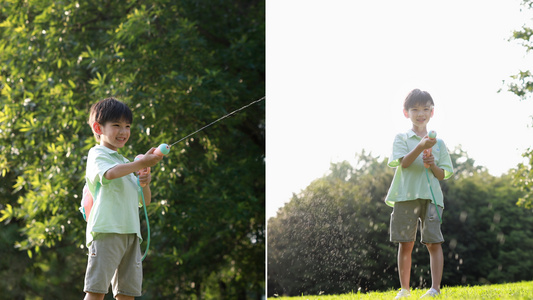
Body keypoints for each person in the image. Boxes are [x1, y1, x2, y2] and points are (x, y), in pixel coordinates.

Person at [83, 97, 163, 300]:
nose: (124, 132)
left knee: (127, 295)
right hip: (106, 231)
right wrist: (139, 164)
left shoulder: (126, 163)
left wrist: (144, 182)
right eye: (116, 125)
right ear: (98, 128)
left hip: (131, 234)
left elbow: (144, 201)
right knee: (96, 293)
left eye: (127, 126)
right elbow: (109, 174)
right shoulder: (97, 154)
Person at [385, 89, 454, 299]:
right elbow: (404, 163)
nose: (420, 113)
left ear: (432, 112)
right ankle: (404, 290)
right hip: (405, 195)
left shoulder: (439, 144)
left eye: (425, 108)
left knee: (434, 242)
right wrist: (420, 146)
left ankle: (435, 289)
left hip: (431, 197)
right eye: (415, 109)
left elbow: (442, 175)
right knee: (406, 243)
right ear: (406, 113)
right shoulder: (402, 138)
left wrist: (432, 165)